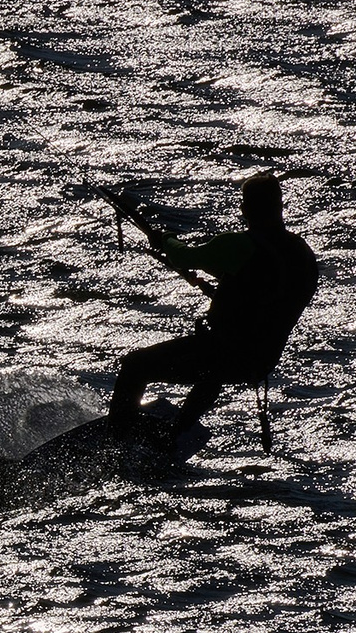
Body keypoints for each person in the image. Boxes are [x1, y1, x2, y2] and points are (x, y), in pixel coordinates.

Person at [104, 171, 318, 460]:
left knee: (135, 366)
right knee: (212, 373)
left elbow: (183, 256)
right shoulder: (302, 253)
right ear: (279, 206)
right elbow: (267, 293)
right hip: (260, 360)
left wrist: (165, 239)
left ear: (245, 209)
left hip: (223, 351)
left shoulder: (239, 245)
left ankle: (116, 446)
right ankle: (176, 432)